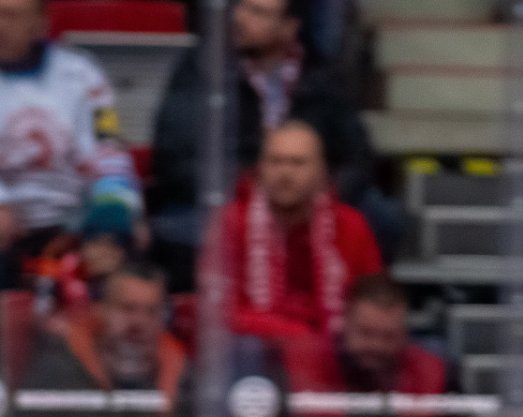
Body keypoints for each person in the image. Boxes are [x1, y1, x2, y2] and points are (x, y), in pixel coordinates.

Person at [149, 0, 400, 287]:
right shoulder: (202, 66)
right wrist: (253, 187)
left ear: (289, 27)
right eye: (241, 8)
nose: (240, 18)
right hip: (227, 196)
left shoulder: (321, 75)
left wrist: (323, 191)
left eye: (258, 13)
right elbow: (174, 158)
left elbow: (357, 155)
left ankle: (356, 308)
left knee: (384, 217)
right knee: (180, 228)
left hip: (309, 198)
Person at [0, 0, 144, 288]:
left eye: (11, 16)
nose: (0, 25)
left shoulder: (81, 74)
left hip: (71, 224)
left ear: (40, 22)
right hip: (7, 224)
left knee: (124, 244)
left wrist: (109, 226)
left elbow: (110, 154)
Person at [208, 120, 384, 344]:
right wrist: (299, 337)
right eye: (275, 161)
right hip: (254, 351)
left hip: (336, 353)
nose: (285, 172)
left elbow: (374, 306)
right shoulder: (230, 223)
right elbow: (219, 311)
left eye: (297, 162)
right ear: (259, 168)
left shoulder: (351, 226)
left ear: (321, 171)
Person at [12, 261, 190, 417]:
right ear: (102, 309)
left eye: (151, 311)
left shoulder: (179, 372)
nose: (139, 322)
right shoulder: (60, 366)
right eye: (128, 308)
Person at [280, 274, 452, 417]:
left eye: (388, 336)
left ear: (404, 333)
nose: (376, 345)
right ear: (345, 323)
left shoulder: (429, 370)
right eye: (366, 333)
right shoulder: (307, 361)